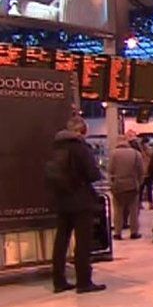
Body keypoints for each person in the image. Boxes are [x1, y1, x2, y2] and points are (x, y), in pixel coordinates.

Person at [49, 117, 106, 294]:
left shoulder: (55, 147)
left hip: (61, 199)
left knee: (61, 241)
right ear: (82, 131)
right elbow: (93, 174)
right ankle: (83, 281)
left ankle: (58, 281)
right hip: (81, 200)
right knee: (82, 242)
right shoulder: (81, 148)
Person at [107, 136, 144, 240]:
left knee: (118, 210)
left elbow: (110, 171)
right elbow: (141, 171)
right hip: (132, 185)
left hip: (118, 186)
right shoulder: (136, 154)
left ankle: (118, 232)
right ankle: (134, 232)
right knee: (133, 211)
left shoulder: (113, 154)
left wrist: (112, 184)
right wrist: (138, 183)